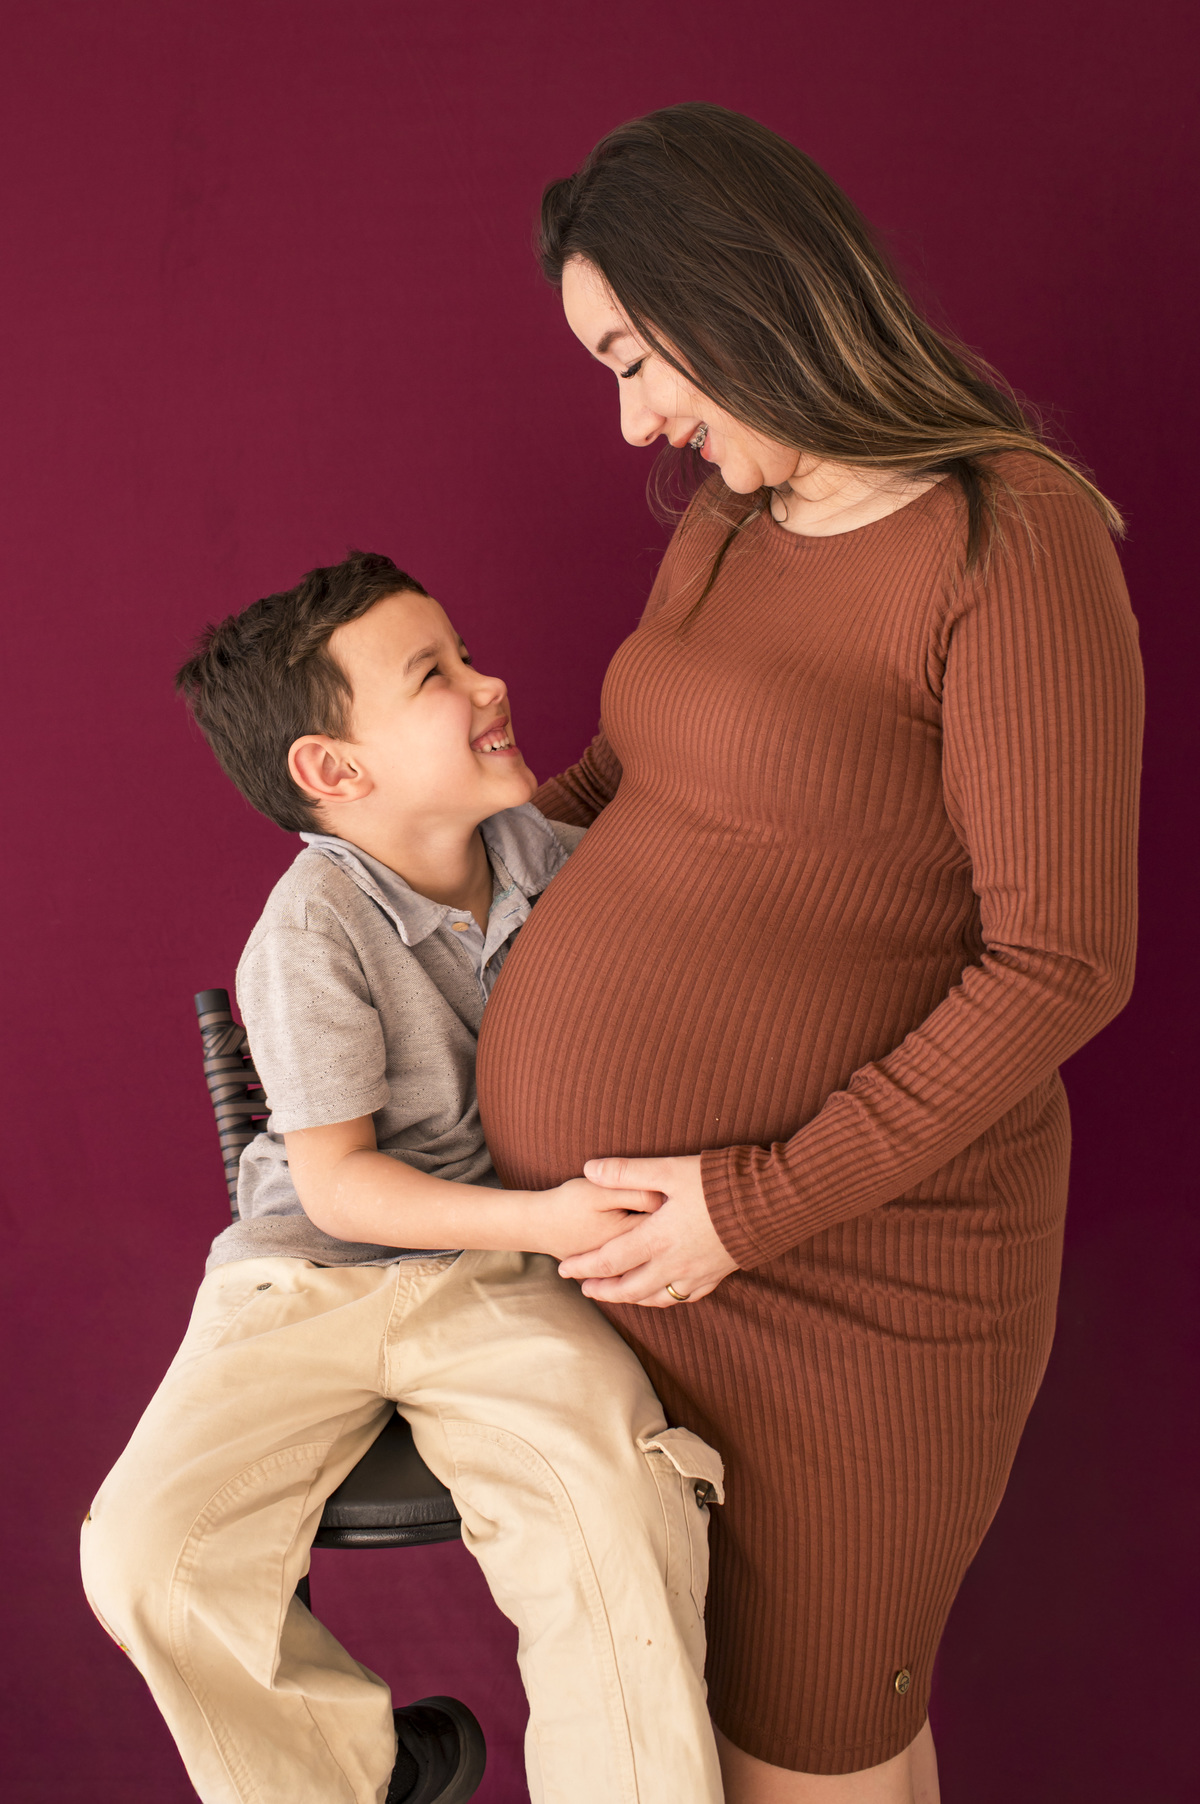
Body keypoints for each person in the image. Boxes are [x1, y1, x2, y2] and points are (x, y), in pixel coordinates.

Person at [475, 104, 1144, 1804]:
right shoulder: (733, 517)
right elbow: (646, 783)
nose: (635, 416)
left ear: (739, 291)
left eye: (637, 355)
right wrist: (409, 885)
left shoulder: (1011, 538)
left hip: (859, 1280)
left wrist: (747, 1204)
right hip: (659, 1269)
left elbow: (1062, 959)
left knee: (809, 1753)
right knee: (730, 1737)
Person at [80, 552, 725, 1804]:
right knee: (144, 1556)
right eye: (437, 673)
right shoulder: (310, 931)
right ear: (334, 770)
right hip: (306, 1287)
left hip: (494, 1284)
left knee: (619, 1521)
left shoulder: (567, 866)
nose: (490, 683)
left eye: (468, 651)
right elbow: (341, 1190)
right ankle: (366, 1772)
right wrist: (546, 1213)